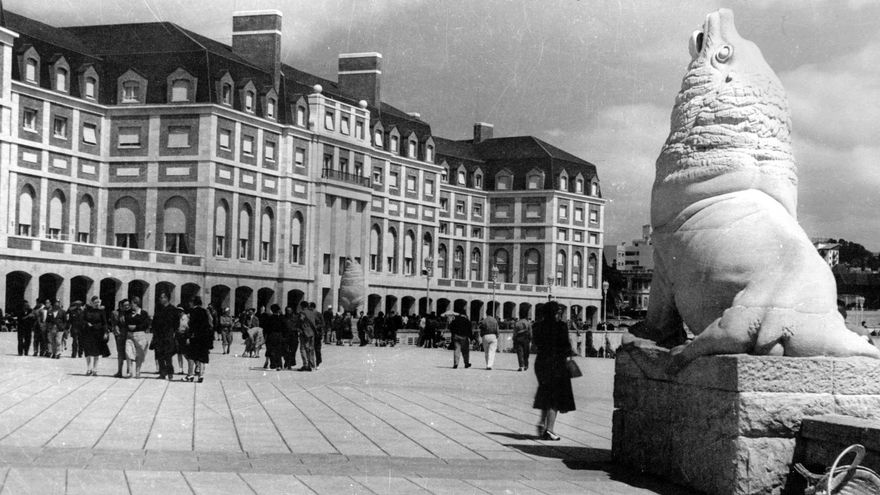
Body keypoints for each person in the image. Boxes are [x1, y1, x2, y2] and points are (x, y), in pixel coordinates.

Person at [533, 301, 576, 441]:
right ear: (555, 313)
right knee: (555, 398)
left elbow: (536, 344)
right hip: (557, 364)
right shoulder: (561, 326)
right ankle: (549, 429)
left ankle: (542, 423)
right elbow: (565, 346)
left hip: (541, 363)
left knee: (545, 392)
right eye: (558, 312)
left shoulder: (537, 326)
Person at [184, 296, 213, 382]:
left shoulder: (193, 312)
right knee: (202, 356)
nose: (189, 304)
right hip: (204, 338)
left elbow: (192, 326)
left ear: (193, 303)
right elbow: (210, 323)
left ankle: (190, 375)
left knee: (191, 356)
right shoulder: (205, 311)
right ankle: (201, 376)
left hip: (195, 337)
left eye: (190, 302)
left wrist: (188, 336)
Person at [151, 293, 179, 380]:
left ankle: (170, 373)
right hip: (158, 335)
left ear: (167, 298)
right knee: (159, 354)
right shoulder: (158, 308)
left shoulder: (173, 309)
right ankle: (162, 373)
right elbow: (155, 322)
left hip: (168, 335)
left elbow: (176, 323)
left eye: (162, 297)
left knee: (168, 355)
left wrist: (173, 332)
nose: (160, 299)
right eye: (160, 297)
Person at [81, 296, 109, 376]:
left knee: (96, 352)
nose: (97, 304)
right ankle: (89, 368)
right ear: (92, 302)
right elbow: (82, 320)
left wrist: (105, 333)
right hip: (88, 333)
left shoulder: (101, 311)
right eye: (95, 302)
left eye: (98, 302)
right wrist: (87, 323)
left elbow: (105, 323)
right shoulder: (86, 311)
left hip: (98, 333)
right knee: (88, 351)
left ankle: (95, 369)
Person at [124, 296, 150, 378]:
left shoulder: (143, 313)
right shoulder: (128, 313)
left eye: (132, 304)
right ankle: (130, 371)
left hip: (140, 335)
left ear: (136, 304)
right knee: (128, 352)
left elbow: (146, 324)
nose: (130, 306)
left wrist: (136, 327)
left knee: (139, 354)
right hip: (130, 335)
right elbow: (125, 322)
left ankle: (138, 371)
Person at [111, 300, 131, 378]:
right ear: (120, 306)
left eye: (128, 305)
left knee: (129, 353)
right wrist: (116, 330)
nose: (127, 306)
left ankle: (129, 371)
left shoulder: (131, 312)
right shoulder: (115, 313)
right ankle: (119, 371)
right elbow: (114, 324)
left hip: (129, 335)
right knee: (120, 353)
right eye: (125, 305)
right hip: (120, 335)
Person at [297, 301, 317, 371]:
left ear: (302, 306)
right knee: (310, 349)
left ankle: (305, 365)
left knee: (303, 348)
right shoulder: (312, 312)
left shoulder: (302, 313)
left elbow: (301, 320)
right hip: (312, 332)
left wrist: (299, 328)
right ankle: (311, 365)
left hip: (305, 332)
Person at [310, 302, 324, 368]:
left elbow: (322, 324)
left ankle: (318, 362)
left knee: (317, 349)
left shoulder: (318, 314)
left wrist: (316, 326)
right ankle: (312, 363)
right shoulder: (309, 314)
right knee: (310, 349)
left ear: (312, 307)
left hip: (317, 334)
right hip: (310, 333)